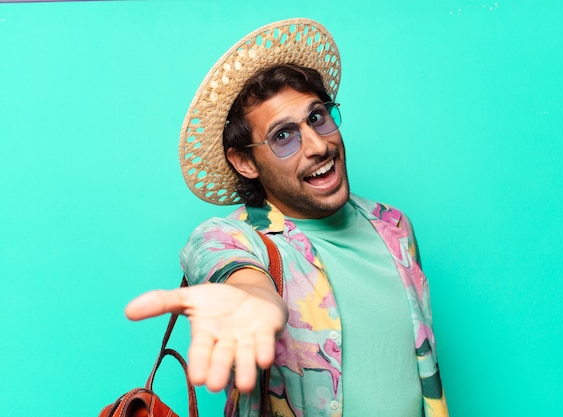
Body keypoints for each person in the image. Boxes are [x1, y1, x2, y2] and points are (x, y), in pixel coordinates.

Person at [126, 18, 449, 417]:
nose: (317, 145)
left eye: (317, 118)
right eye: (283, 136)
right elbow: (227, 267)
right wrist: (254, 298)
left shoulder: (394, 226)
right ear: (245, 161)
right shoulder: (232, 237)